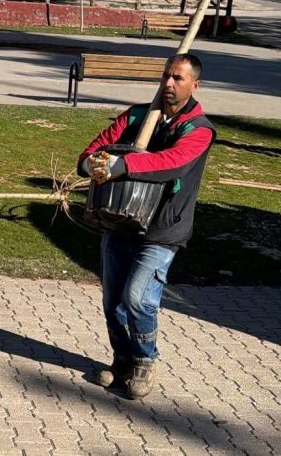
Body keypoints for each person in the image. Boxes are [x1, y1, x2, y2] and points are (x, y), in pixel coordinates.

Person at [78, 53, 215, 399]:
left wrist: (124, 165)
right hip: (119, 219)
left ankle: (144, 360)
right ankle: (122, 360)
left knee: (138, 298)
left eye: (178, 78)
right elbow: (91, 151)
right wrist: (92, 164)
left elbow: (172, 162)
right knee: (113, 302)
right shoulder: (138, 115)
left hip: (163, 228)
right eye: (166, 76)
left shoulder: (199, 130)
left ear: (195, 85)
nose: (168, 84)